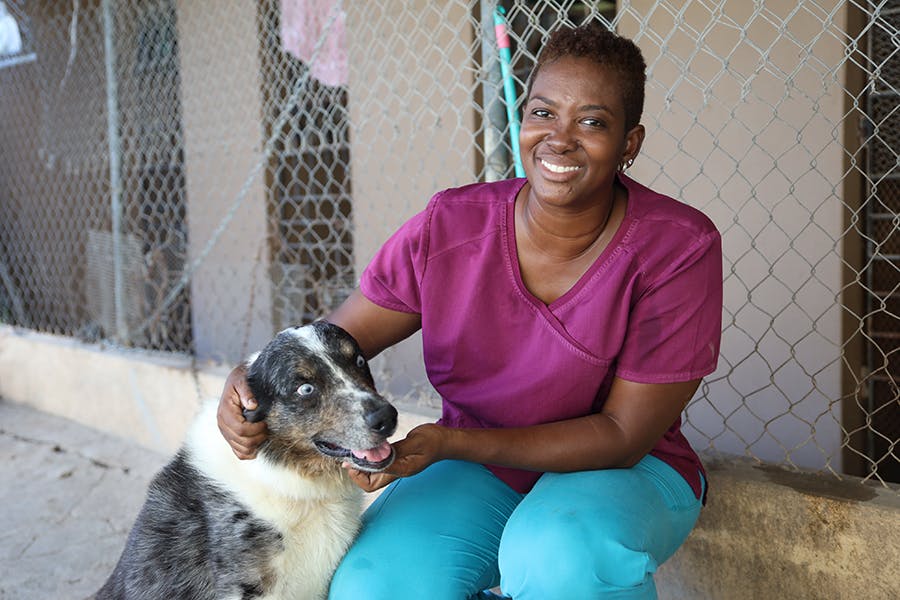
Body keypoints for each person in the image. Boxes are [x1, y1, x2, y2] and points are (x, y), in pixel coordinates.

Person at [218, 22, 722, 600]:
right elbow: (332, 341)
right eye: (543, 113)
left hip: (627, 471)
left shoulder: (678, 247)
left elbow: (622, 435)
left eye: (592, 122)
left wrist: (450, 443)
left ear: (629, 144)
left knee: (557, 556)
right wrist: (248, 381)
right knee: (373, 586)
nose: (559, 139)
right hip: (479, 468)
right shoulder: (450, 226)